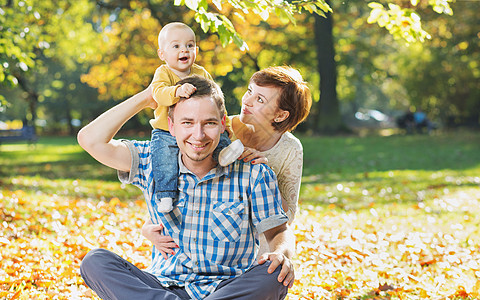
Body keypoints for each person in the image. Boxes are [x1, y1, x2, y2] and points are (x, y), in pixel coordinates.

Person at [78, 75, 295, 300]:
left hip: (226, 289)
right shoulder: (152, 161)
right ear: (171, 126)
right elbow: (90, 140)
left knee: (275, 272)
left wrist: (281, 253)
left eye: (209, 123)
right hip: (161, 286)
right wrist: (147, 96)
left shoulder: (253, 172)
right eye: (187, 123)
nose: (198, 135)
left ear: (222, 124)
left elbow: (279, 231)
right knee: (95, 261)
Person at [143, 66, 312, 257]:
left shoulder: (290, 149)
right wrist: (148, 226)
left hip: (258, 254)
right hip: (209, 246)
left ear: (280, 115)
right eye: (250, 91)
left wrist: (265, 174)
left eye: (260, 99)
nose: (246, 101)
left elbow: (287, 218)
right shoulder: (218, 131)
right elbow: (180, 180)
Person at [150, 22, 243, 213]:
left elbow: (216, 100)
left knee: (219, 137)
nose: (184, 50)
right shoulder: (164, 72)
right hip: (166, 130)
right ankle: (166, 193)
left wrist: (227, 126)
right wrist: (177, 90)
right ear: (162, 54)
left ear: (196, 50)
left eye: (189, 45)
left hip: (200, 124)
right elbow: (158, 93)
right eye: (176, 46)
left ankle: (224, 154)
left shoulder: (201, 73)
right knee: (163, 158)